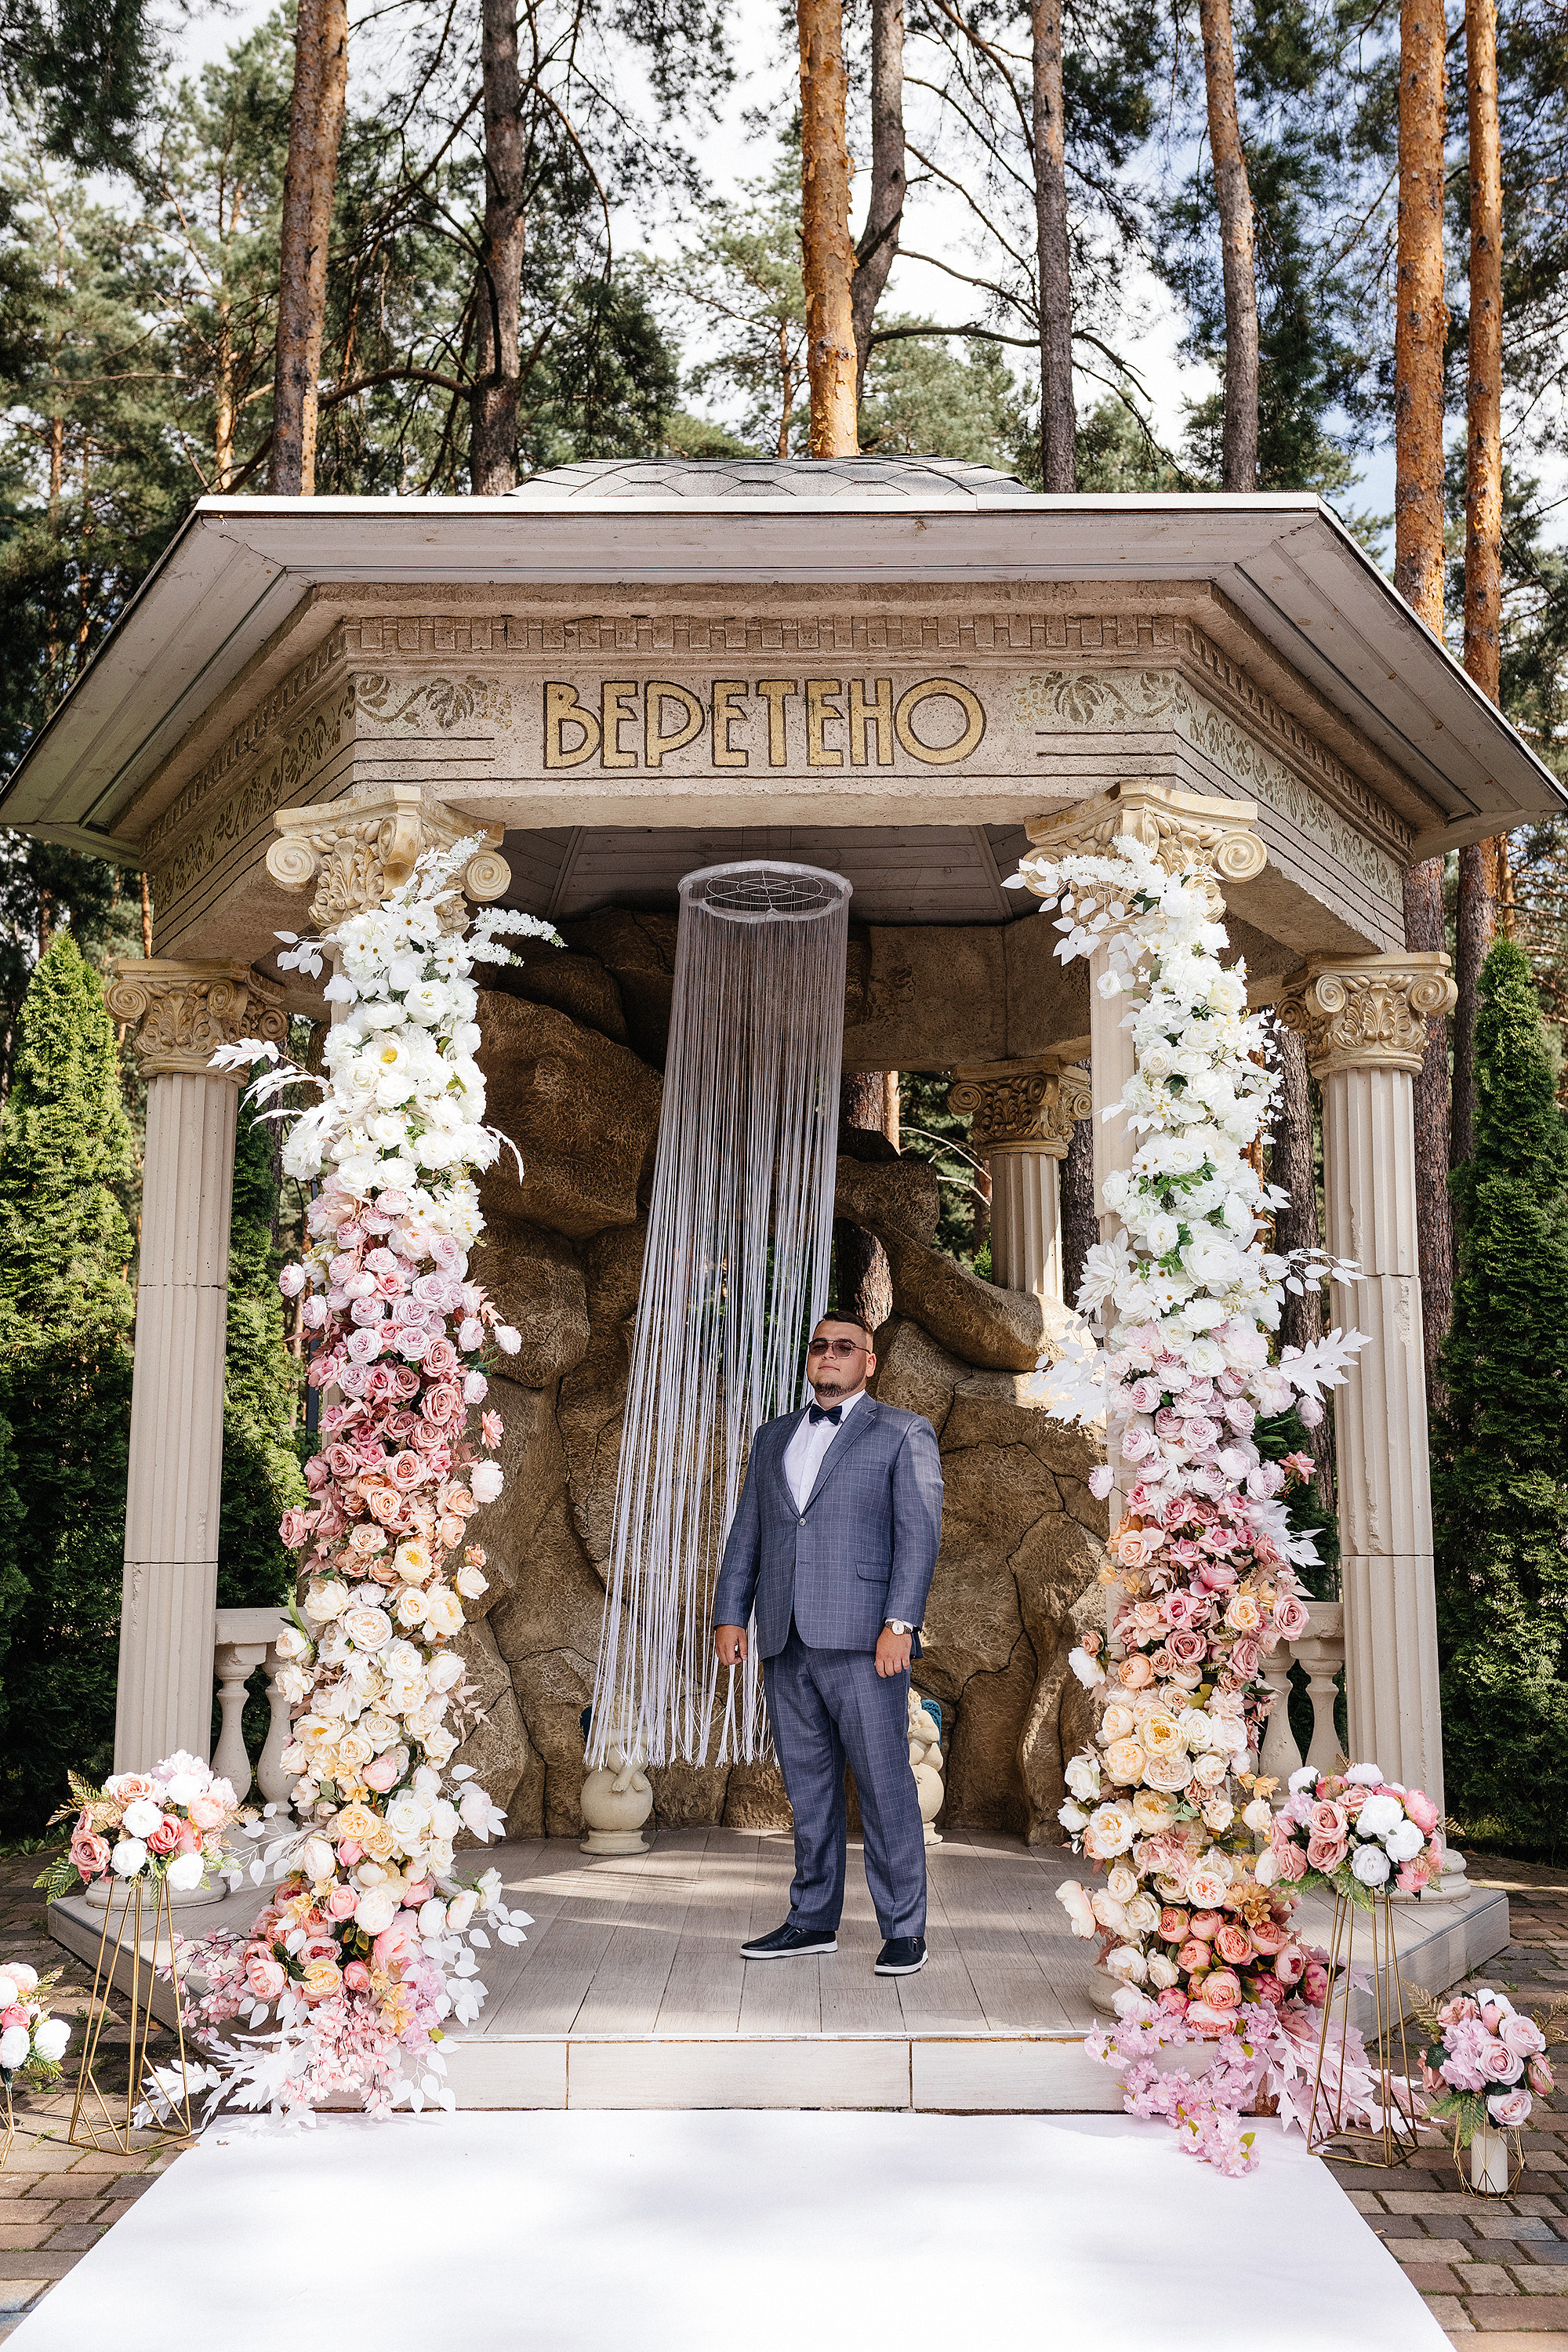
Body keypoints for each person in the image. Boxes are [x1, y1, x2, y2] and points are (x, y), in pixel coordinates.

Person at [711, 1312, 944, 1977]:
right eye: (820, 1346)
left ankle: (904, 1929)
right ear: (809, 1358)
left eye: (845, 1347)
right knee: (808, 1789)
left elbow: (919, 1534)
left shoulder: (903, 1432)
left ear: (868, 1362)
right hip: (785, 1635)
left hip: (867, 1640)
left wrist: (900, 1623)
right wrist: (731, 1613)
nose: (830, 1355)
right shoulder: (773, 1436)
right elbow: (749, 1532)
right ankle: (812, 1920)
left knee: (885, 1786)